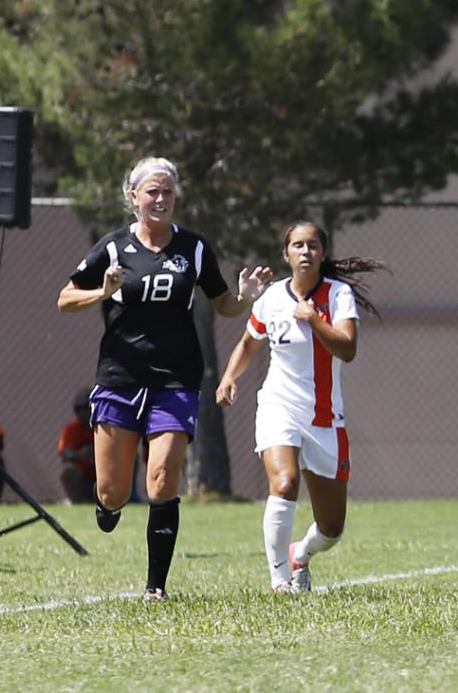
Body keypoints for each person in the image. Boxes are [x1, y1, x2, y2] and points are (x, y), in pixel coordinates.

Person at [57, 156, 273, 602]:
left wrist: (246, 299)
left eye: (167, 192)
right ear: (133, 197)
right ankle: (107, 504)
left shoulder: (193, 249)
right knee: (114, 491)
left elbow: (224, 304)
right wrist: (105, 290)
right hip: (119, 378)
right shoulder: (114, 249)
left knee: (161, 480)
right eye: (152, 191)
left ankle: (156, 587)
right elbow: (64, 299)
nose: (160, 199)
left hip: (175, 379)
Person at [216, 221, 387, 594]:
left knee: (332, 528)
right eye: (297, 245)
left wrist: (314, 319)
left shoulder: (338, 295)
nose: (305, 251)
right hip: (279, 407)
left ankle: (301, 554)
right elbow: (248, 343)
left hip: (325, 418)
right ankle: (280, 583)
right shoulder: (272, 298)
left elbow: (347, 349)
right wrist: (230, 376)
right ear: (286, 254)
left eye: (312, 245)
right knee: (285, 481)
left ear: (322, 253)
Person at [58, 388, 96, 504]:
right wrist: (82, 454)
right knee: (68, 470)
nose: (81, 413)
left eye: (85, 408)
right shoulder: (71, 429)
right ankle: (78, 502)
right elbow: (64, 453)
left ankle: (127, 497)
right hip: (84, 479)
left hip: (105, 477)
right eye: (77, 409)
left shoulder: (105, 426)